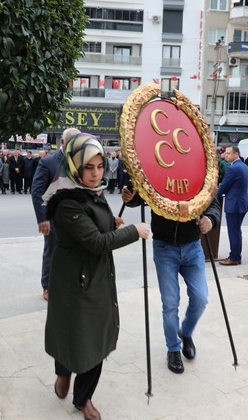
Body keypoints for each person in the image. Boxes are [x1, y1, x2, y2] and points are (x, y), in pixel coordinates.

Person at [43, 134, 149, 420]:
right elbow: (95, 242)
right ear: (75, 166)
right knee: (70, 330)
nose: (95, 173)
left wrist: (111, 222)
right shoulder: (66, 199)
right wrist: (132, 232)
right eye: (89, 167)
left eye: (100, 166)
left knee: (96, 337)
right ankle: (63, 372)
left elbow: (97, 227)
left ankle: (84, 397)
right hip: (72, 277)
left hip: (97, 276)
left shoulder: (91, 192)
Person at [123, 176, 221, 374]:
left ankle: (186, 332)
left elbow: (212, 200)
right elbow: (143, 193)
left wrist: (210, 219)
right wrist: (131, 197)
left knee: (201, 298)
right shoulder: (159, 164)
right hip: (165, 247)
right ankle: (173, 348)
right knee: (170, 303)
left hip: (193, 246)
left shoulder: (196, 166)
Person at [31, 127, 81, 300]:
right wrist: (43, 219)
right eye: (71, 141)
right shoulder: (48, 162)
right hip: (54, 218)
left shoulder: (80, 161)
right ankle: (48, 286)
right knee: (52, 251)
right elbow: (37, 193)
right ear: (62, 142)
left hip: (76, 217)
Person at [216, 145, 248, 266]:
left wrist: (213, 197)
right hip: (241, 203)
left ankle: (234, 257)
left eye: (229, 153)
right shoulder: (243, 166)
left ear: (236, 154)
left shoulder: (233, 168)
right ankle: (236, 255)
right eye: (225, 153)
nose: (226, 155)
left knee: (234, 231)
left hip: (235, 204)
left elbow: (224, 186)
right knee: (236, 231)